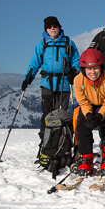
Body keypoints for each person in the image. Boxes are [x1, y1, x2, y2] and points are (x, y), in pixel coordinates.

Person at [22, 16, 80, 152]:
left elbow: (76, 60)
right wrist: (28, 78)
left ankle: (62, 142)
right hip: (47, 83)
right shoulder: (42, 44)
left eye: (55, 26)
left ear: (59, 27)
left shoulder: (68, 43)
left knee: (61, 113)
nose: (52, 28)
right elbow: (34, 63)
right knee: (47, 113)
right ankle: (45, 141)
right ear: (46, 29)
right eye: (50, 27)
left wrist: (74, 71)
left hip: (64, 83)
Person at [73, 49, 105, 176]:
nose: (93, 72)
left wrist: (99, 116)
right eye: (89, 69)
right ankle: (86, 157)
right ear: (84, 69)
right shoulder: (78, 80)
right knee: (82, 125)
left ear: (101, 67)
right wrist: (89, 115)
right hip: (89, 104)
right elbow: (83, 101)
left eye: (96, 68)